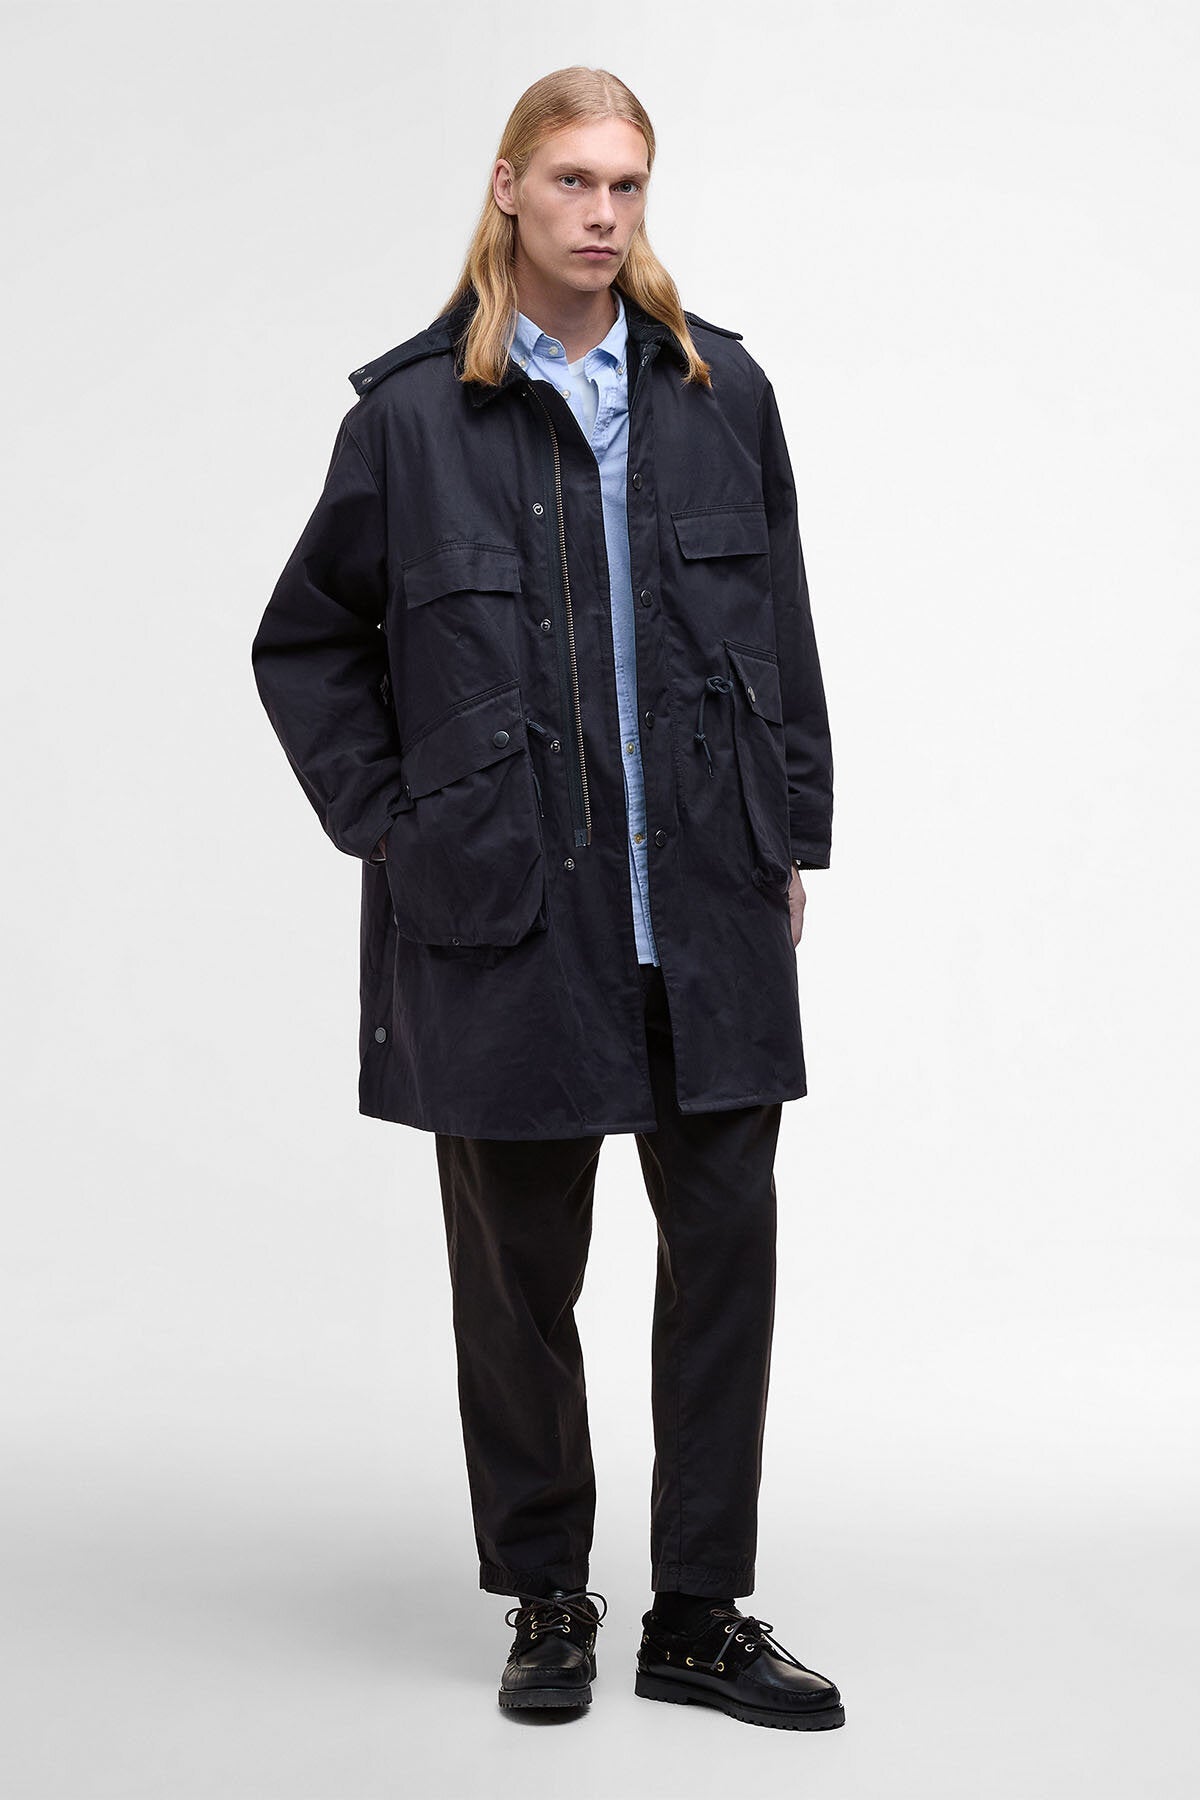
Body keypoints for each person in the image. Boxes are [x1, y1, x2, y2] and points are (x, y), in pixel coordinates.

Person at [251, 64, 843, 1732]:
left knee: (724, 1255)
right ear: (507, 186)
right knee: (520, 1279)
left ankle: (699, 1614)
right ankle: (548, 1597)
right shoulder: (411, 418)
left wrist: (791, 834)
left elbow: (783, 630)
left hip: (704, 904)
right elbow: (308, 644)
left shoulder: (720, 390)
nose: (603, 214)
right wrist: (401, 828)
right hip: (506, 909)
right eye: (574, 180)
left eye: (628, 184)